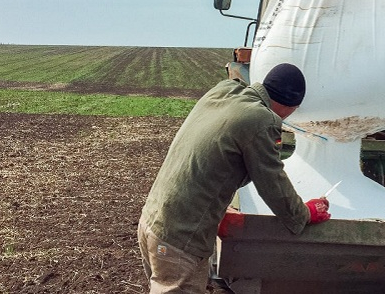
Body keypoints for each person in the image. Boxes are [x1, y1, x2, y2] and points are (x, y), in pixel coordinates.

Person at [138, 63, 331, 293]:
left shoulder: (225, 91)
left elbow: (211, 160)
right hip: (180, 239)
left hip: (153, 222)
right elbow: (272, 183)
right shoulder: (263, 120)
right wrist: (304, 213)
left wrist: (218, 208)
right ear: (292, 107)